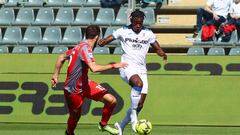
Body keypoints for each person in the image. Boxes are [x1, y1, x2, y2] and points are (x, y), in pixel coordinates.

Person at [98, 10, 167, 135]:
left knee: (139, 104)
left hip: (141, 69)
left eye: (140, 23)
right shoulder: (123, 31)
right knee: (138, 84)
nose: (138, 25)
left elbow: (157, 47)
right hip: (127, 67)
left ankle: (121, 125)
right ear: (131, 20)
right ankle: (134, 120)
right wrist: (102, 41)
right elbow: (109, 38)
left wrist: (161, 53)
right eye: (136, 23)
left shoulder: (148, 33)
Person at [51, 25, 128, 135]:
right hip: (73, 89)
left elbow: (61, 57)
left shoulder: (80, 46)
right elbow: (94, 68)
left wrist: (55, 75)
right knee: (75, 115)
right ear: (97, 37)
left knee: (111, 101)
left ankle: (103, 125)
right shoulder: (85, 48)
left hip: (85, 84)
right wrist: (115, 65)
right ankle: (69, 133)